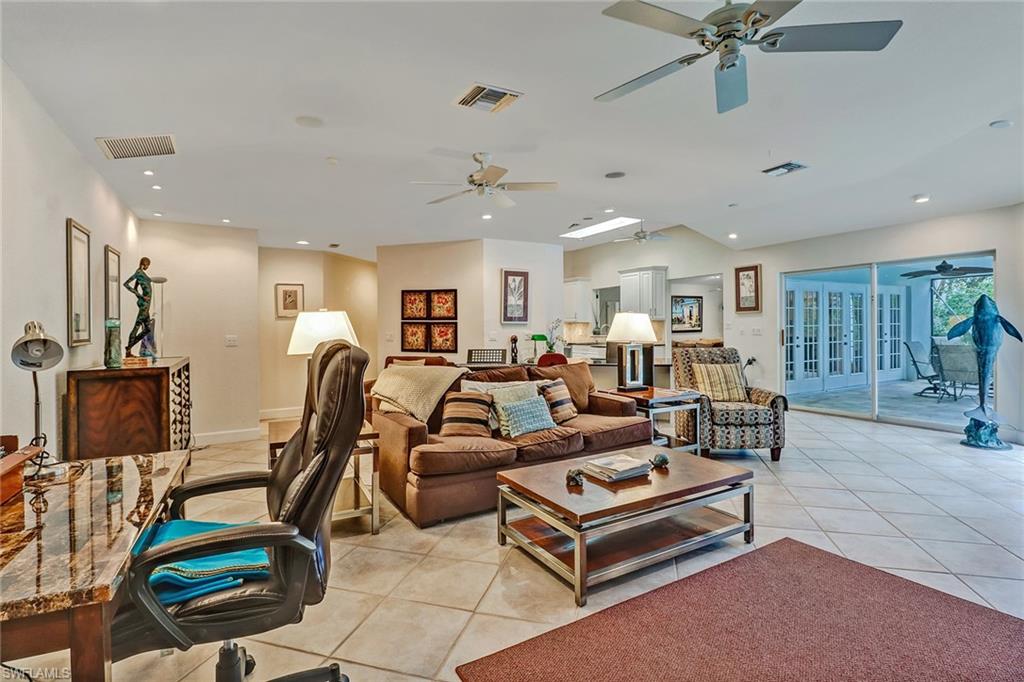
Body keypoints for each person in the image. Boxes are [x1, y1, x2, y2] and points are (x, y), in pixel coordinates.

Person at [124, 257, 153, 357]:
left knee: (148, 329)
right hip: (144, 305)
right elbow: (126, 284)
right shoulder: (138, 273)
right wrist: (141, 297)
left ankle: (129, 347)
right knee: (137, 326)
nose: (148, 267)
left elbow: (135, 288)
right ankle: (128, 350)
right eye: (148, 265)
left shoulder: (141, 273)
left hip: (146, 305)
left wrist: (140, 297)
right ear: (145, 264)